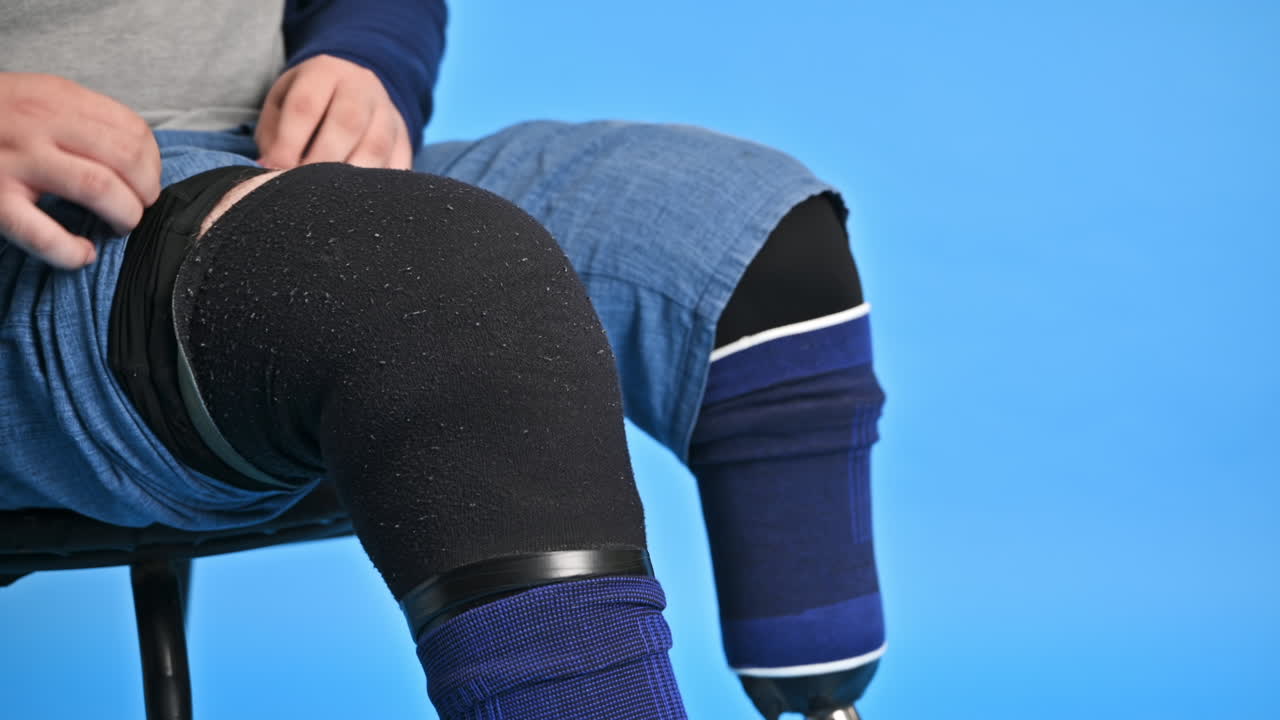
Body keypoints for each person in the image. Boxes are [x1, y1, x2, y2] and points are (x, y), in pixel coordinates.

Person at [0, 2, 887, 718]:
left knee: (753, 233)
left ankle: (819, 705)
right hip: (39, 231)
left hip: (269, 167)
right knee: (428, 283)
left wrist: (364, 59)